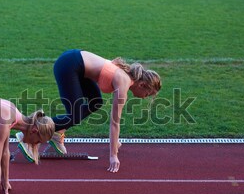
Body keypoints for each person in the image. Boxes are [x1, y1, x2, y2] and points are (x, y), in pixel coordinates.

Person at [17, 49, 161, 173]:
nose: (144, 98)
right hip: (69, 65)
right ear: (142, 84)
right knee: (75, 114)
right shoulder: (123, 82)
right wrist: (113, 155)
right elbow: (114, 123)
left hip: (77, 66)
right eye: (147, 94)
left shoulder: (125, 76)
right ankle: (28, 132)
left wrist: (115, 142)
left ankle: (56, 132)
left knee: (95, 103)